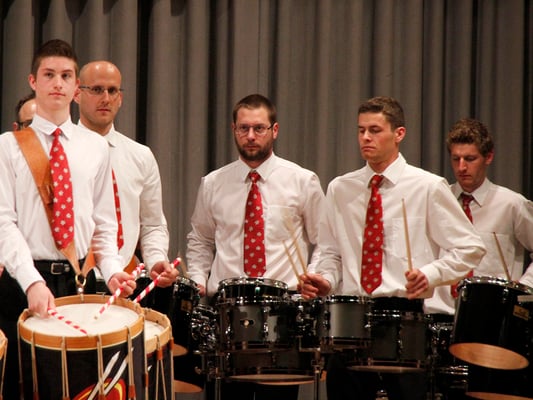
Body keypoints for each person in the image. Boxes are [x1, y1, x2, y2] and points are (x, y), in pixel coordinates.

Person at [299, 96, 486, 400]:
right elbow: (330, 252)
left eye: (374, 130)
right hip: (351, 319)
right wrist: (325, 280)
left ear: (399, 134)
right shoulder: (340, 188)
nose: (365, 138)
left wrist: (430, 274)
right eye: (361, 130)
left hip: (404, 318)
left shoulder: (427, 186)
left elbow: (470, 248)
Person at [0, 39, 135, 399]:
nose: (57, 83)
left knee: (79, 390)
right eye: (49, 75)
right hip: (24, 284)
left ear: (76, 87)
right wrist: (31, 282)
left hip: (79, 284)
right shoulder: (8, 147)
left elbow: (104, 224)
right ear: (33, 81)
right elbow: (3, 223)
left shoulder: (95, 147)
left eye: (65, 75)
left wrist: (112, 270)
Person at [186, 93, 326, 400]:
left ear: (274, 130)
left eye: (259, 128)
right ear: (234, 129)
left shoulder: (302, 181)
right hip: (226, 312)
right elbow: (200, 240)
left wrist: (314, 277)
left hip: (283, 313)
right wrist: (197, 279)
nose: (251, 136)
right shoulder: (213, 183)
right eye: (244, 128)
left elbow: (326, 242)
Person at [74, 60, 177, 300]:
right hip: (72, 282)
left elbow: (152, 224)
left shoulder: (140, 156)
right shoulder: (61, 152)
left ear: (120, 98)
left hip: (124, 284)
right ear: (77, 94)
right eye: (97, 89)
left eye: (113, 91)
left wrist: (156, 260)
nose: (106, 98)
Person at [425, 117, 533, 314]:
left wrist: (523, 288)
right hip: (440, 314)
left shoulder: (511, 204)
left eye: (470, 159)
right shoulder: (437, 201)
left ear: (488, 157)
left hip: (492, 313)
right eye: (456, 159)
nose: (461, 167)